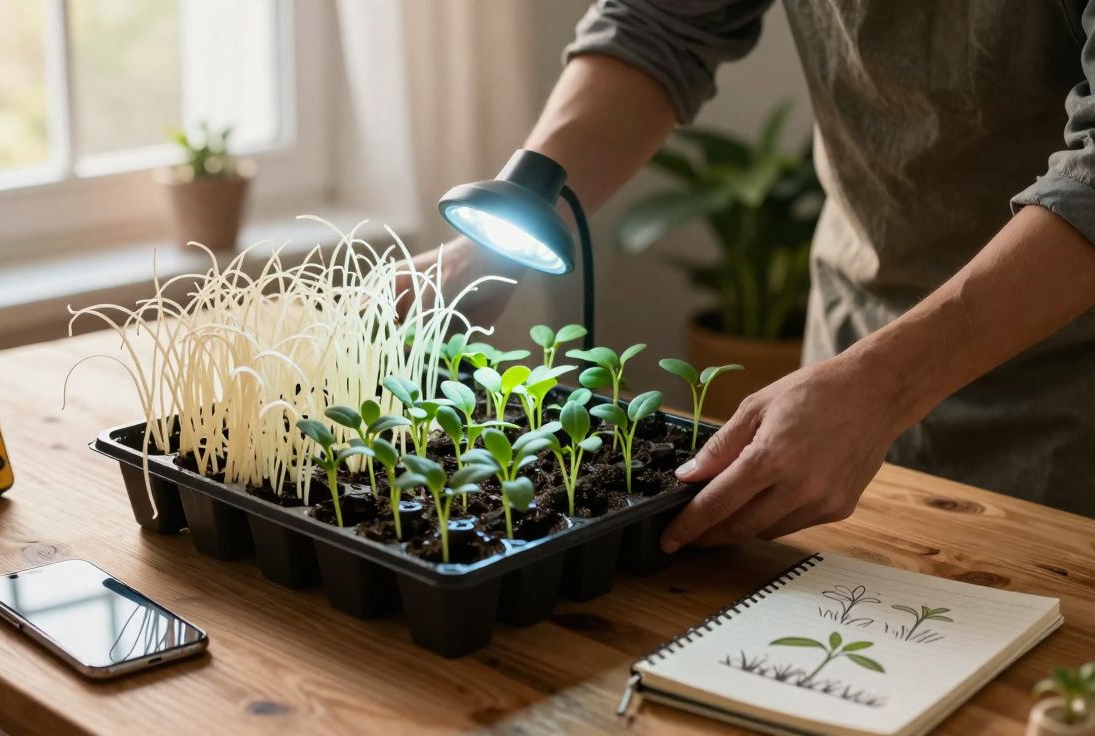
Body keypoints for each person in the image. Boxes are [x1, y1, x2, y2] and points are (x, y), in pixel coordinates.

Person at [404, 1, 1095, 552]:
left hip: (1067, 405)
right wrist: (491, 246)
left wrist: (885, 385)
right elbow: (658, 24)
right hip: (851, 343)